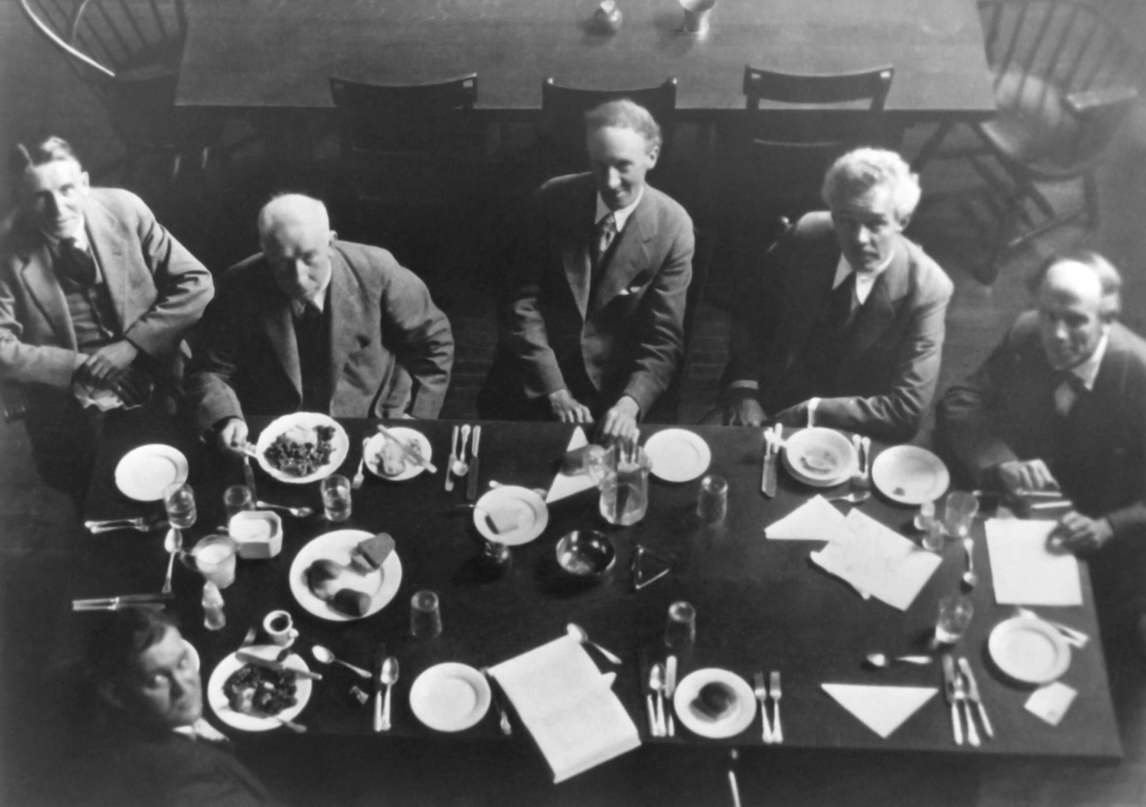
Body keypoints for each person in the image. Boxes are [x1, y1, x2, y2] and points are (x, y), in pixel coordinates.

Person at [937, 251, 1146, 658]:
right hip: (1023, 514)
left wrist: (1110, 525)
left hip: (1104, 537)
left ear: (1107, 319)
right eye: (1048, 315)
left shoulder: (1141, 375)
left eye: (1075, 320)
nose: (1057, 334)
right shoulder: (1026, 332)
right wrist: (1002, 461)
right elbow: (961, 401)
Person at [0, 135, 213, 498]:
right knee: (95, 494)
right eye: (40, 197)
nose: (58, 208)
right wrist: (81, 366)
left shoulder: (124, 210)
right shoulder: (6, 250)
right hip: (69, 401)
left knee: (182, 475)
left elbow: (196, 282)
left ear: (84, 183)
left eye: (67, 189)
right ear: (21, 199)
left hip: (153, 374)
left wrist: (132, 345)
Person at [478, 99, 694, 440]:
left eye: (623, 166)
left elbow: (664, 339)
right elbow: (521, 303)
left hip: (615, 384)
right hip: (538, 368)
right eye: (599, 164)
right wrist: (554, 390)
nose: (610, 181)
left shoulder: (674, 225)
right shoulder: (551, 199)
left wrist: (629, 403)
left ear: (652, 157)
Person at [711, 147, 952, 441]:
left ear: (902, 220)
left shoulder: (928, 288)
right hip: (767, 402)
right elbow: (751, 311)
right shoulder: (807, 234)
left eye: (875, 223)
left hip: (854, 425)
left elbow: (906, 412)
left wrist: (811, 412)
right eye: (847, 220)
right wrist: (744, 388)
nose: (860, 239)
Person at [185, 193, 454, 456]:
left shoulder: (379, 271)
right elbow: (209, 369)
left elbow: (435, 343)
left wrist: (417, 418)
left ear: (331, 243)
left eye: (310, 258)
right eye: (282, 262)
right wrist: (226, 417)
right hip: (280, 431)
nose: (299, 278)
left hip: (371, 423)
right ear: (264, 250)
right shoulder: (238, 284)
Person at [72, 608, 280, 805]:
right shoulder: (195, 789)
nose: (182, 687)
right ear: (114, 694)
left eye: (182, 662)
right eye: (156, 679)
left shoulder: (130, 720)